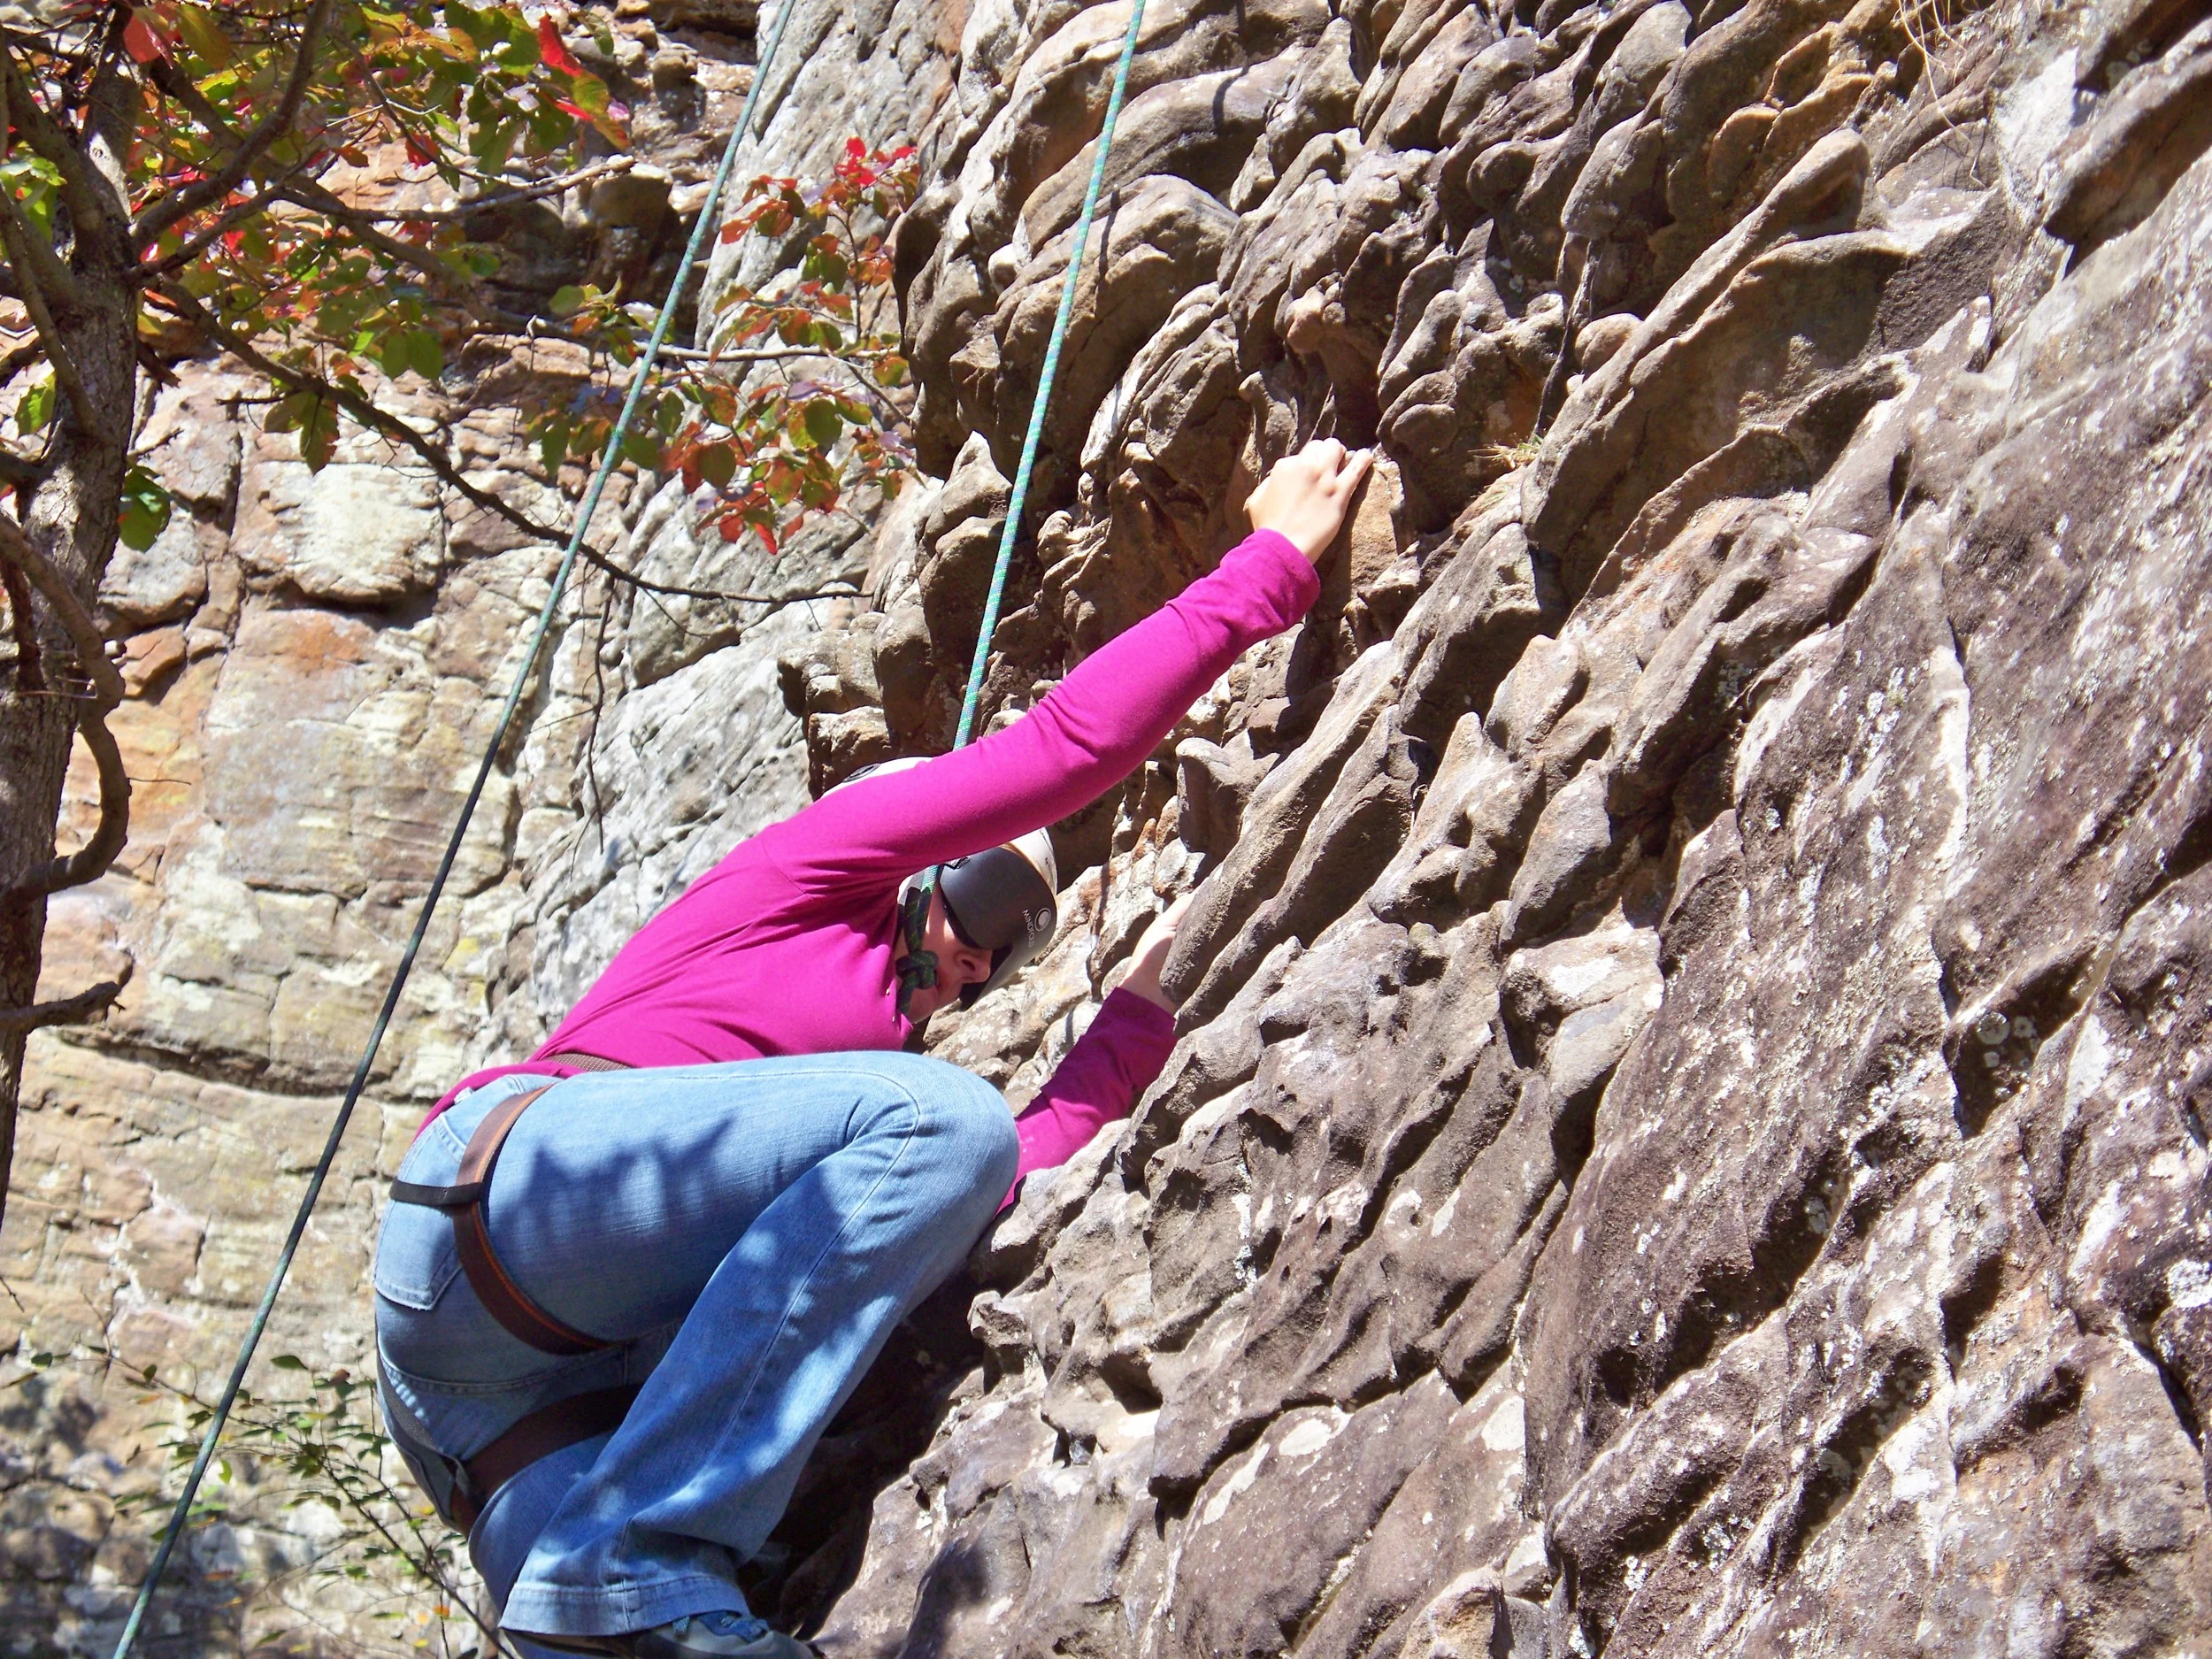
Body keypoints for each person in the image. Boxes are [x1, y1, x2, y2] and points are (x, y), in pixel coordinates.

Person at [371, 440, 1373, 1659]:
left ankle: (625, 1573)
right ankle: (629, 1556)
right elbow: (1058, 750)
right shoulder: (811, 874)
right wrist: (1264, 567)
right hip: (517, 1196)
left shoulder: (854, 1119)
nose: (980, 963)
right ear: (928, 861)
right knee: (945, 1119)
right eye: (989, 909)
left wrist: (1142, 1011)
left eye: (1011, 955)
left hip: (509, 1417)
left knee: (658, 1637)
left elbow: (1011, 1168)